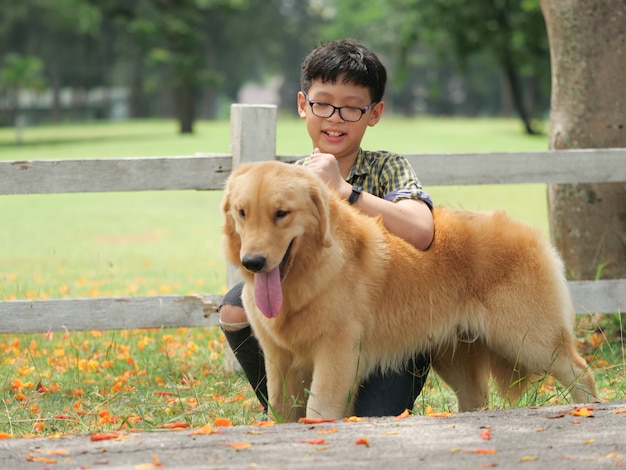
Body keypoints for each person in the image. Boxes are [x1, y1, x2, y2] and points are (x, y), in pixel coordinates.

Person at [219, 39, 434, 417]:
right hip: (316, 323)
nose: (335, 117)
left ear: (375, 113)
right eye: (323, 104)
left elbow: (421, 230)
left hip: (388, 333)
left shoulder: (388, 167)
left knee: (372, 422)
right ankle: (286, 405)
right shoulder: (289, 178)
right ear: (303, 105)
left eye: (352, 108)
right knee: (237, 305)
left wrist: (345, 191)